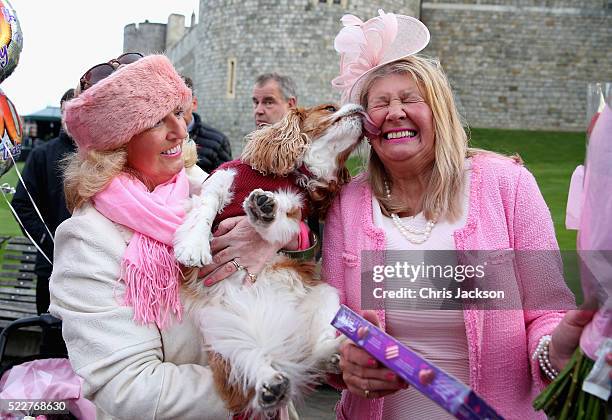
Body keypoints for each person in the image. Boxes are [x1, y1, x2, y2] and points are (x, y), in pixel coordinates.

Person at [323, 11, 611, 419]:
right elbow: (331, 324)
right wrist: (342, 361)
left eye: (409, 99)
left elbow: (547, 315)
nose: (395, 113)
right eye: (380, 104)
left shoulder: (507, 185)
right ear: (364, 124)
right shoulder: (347, 205)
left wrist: (556, 351)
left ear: (439, 111)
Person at [49, 54, 302, 419]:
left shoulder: (204, 189)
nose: (181, 131)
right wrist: (256, 388)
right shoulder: (88, 239)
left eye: (178, 112)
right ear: (117, 142)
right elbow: (125, 386)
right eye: (156, 120)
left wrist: (272, 238)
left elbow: (300, 239)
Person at [11, 88, 75, 315]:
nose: (73, 117)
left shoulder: (101, 155)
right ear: (61, 114)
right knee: (49, 333)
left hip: (92, 269)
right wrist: (44, 238)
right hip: (50, 264)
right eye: (69, 111)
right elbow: (22, 205)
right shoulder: (42, 155)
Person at [182, 76, 232, 173]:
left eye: (182, 105)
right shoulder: (159, 138)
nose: (177, 113)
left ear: (194, 103)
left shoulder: (218, 142)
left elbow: (225, 183)